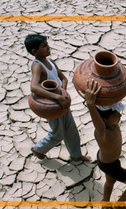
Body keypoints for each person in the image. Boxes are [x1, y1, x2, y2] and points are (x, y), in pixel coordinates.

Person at [24, 34, 91, 162]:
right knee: (57, 133)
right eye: (44, 46)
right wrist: (57, 97)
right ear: (35, 51)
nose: (48, 47)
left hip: (62, 102)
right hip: (52, 106)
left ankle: (76, 156)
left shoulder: (50, 62)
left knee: (71, 130)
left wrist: (63, 93)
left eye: (47, 44)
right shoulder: (37, 65)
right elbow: (34, 87)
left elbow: (63, 78)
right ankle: (38, 149)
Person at [83, 79, 126, 209]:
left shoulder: (112, 123)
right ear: (104, 120)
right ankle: (119, 205)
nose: (120, 115)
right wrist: (90, 104)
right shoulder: (102, 132)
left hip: (108, 161)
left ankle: (105, 203)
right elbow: (98, 123)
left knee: (110, 182)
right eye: (116, 114)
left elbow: (110, 105)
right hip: (109, 165)